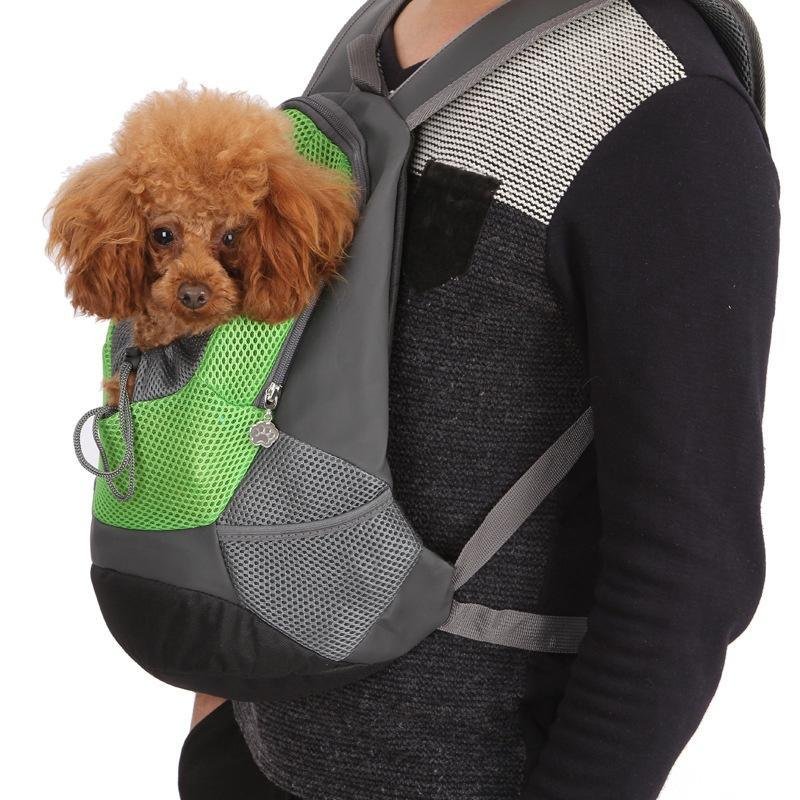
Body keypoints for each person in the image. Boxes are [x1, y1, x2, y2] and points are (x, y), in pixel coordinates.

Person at [179, 0, 780, 798]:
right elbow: (269, 385)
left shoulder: (670, 111)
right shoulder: (371, 35)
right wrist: (215, 709)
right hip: (253, 751)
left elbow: (688, 569)